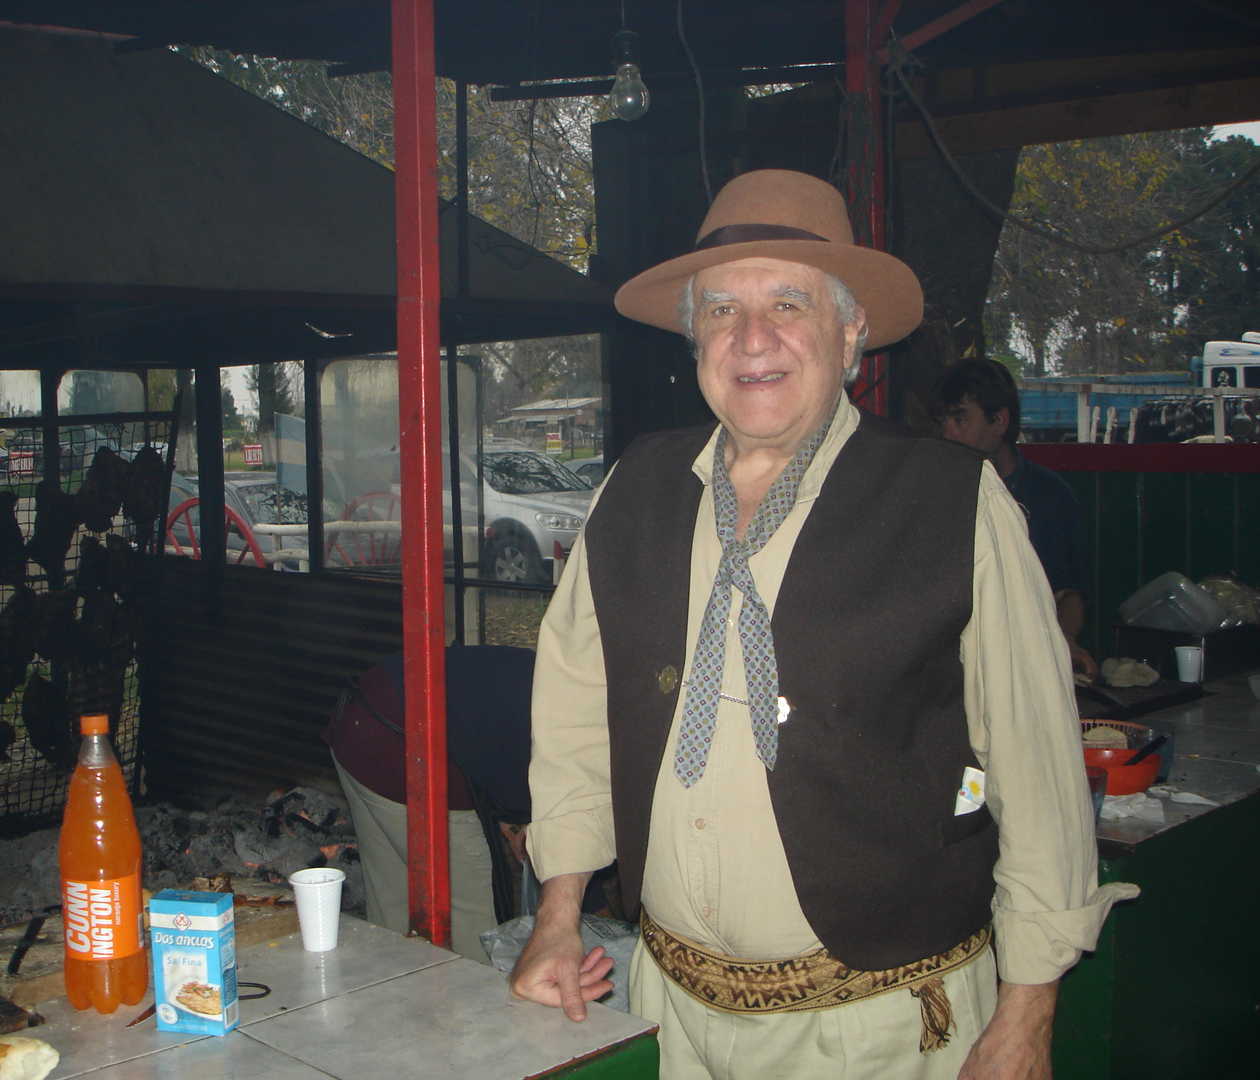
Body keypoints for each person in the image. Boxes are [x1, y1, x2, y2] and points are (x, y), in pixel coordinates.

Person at [508, 170, 1137, 1080]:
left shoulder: (952, 501)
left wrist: (1028, 1011)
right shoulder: (631, 489)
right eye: (720, 308)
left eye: (787, 303)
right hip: (671, 1017)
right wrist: (557, 918)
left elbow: (1037, 772)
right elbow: (574, 721)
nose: (751, 337)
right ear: (694, 343)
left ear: (849, 335)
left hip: (883, 1027)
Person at [325, 644, 609, 964]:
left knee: (393, 897)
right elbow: (575, 833)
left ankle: (396, 991)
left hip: (354, 719)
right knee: (472, 909)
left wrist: (519, 823)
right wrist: (599, 923)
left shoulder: (565, 678)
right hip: (401, 737)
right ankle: (480, 1007)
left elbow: (494, 741)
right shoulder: (593, 730)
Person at [930, 360, 1099, 680]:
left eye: (960, 419)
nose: (947, 434)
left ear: (1000, 420)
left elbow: (1068, 591)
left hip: (1026, 663)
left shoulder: (1050, 495)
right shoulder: (932, 493)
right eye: (942, 422)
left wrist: (1065, 640)